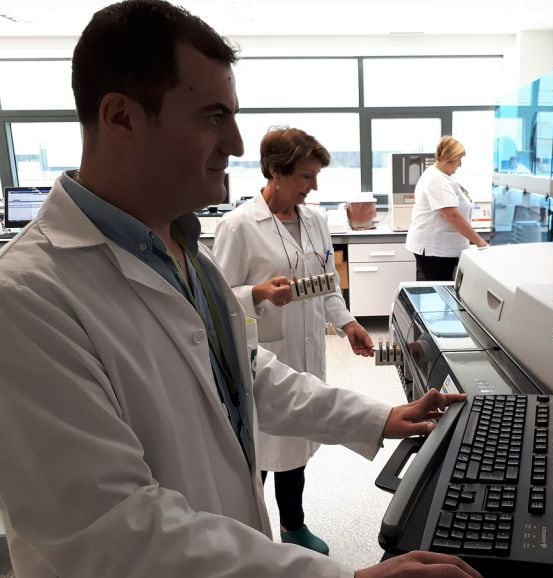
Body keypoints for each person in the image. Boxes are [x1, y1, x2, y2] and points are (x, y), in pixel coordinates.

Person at [0, 2, 482, 577]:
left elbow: (245, 373)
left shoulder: (183, 250)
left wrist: (379, 416)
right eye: (212, 116)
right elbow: (108, 530)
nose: (234, 142)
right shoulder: (27, 297)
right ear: (121, 117)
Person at [212, 126, 374, 555]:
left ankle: (294, 526)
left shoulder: (316, 220)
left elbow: (326, 284)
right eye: (305, 176)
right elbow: (219, 300)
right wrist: (261, 293)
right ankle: (249, 535)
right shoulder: (239, 225)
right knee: (261, 452)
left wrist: (347, 324)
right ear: (273, 172)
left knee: (298, 444)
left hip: (306, 351)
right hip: (266, 354)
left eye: (316, 175)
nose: (313, 186)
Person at [405, 136, 488, 281]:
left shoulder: (444, 176)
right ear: (449, 159)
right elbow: (452, 216)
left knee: (446, 292)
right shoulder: (437, 179)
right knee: (442, 293)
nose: (460, 165)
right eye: (459, 160)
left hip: (444, 248)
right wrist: (480, 242)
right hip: (436, 250)